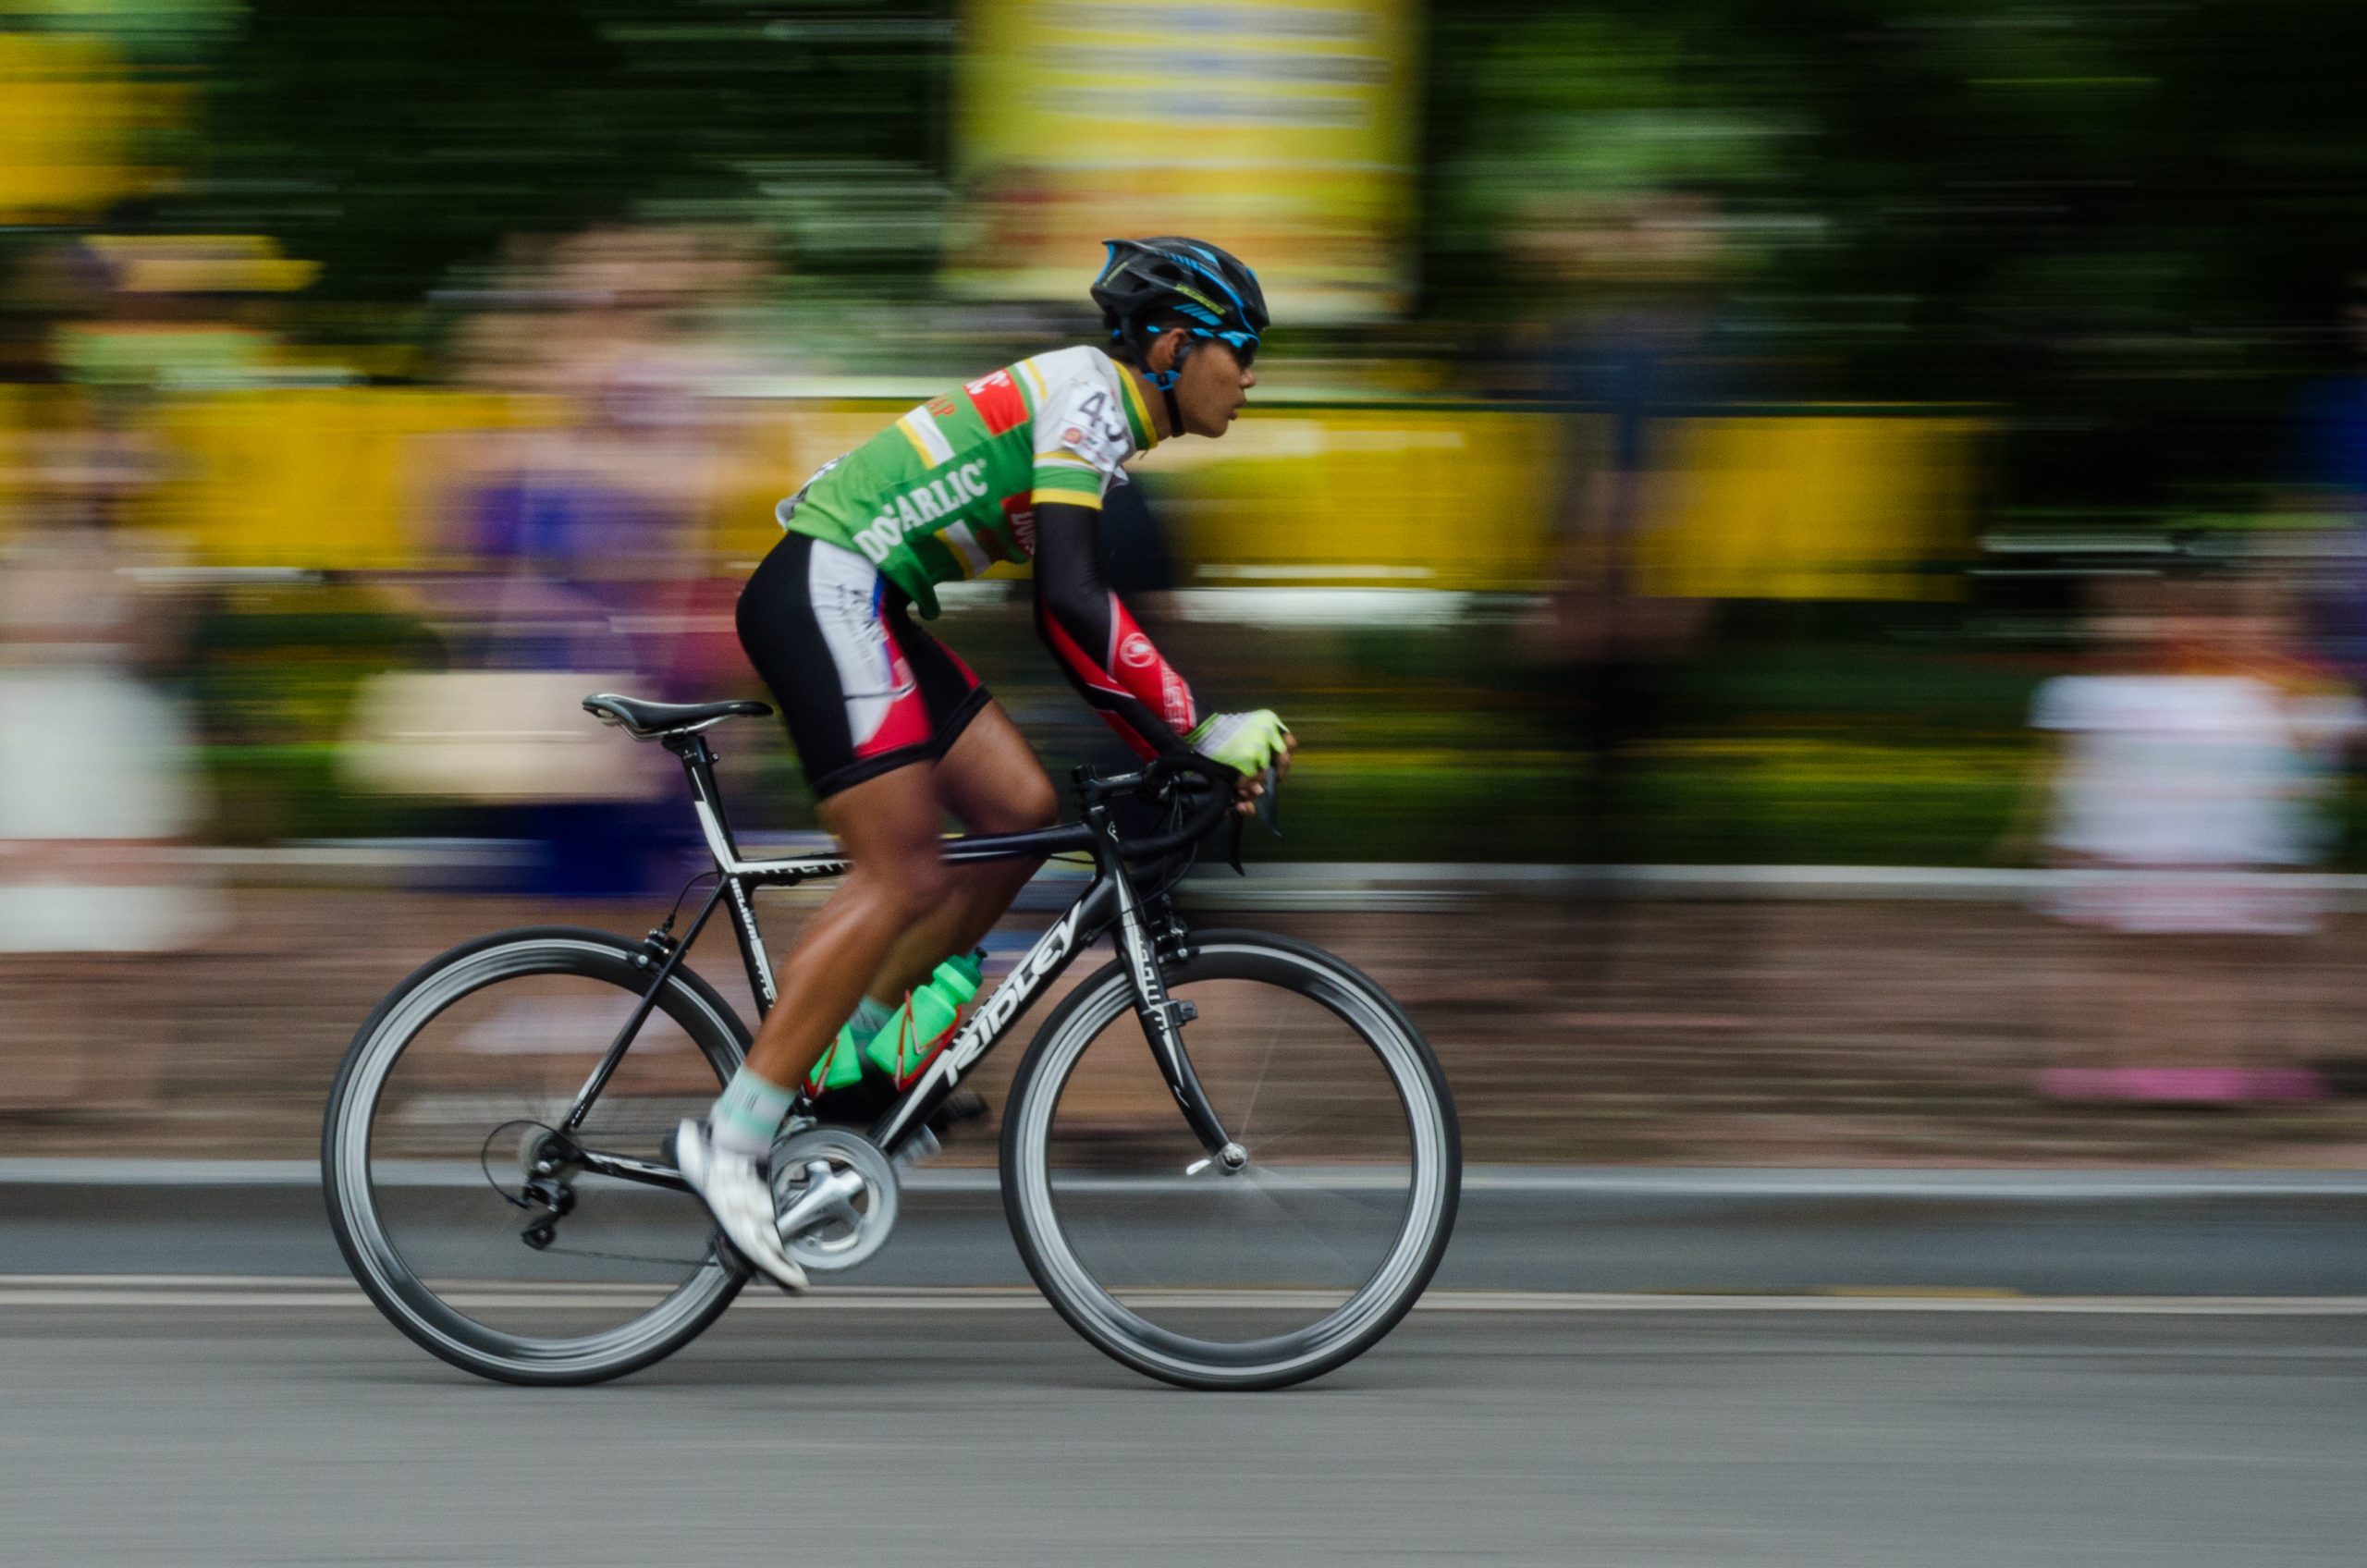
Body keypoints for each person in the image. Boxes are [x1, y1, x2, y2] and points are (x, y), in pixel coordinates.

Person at [675, 239, 1296, 1288]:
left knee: (1017, 809)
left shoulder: (1102, 420)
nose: (1250, 378)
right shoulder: (1090, 399)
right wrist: (1196, 728)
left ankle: (859, 1056)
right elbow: (1071, 602)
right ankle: (732, 1140)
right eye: (1239, 351)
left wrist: (1176, 746)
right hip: (830, 584)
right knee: (900, 873)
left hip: (867, 596)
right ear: (1173, 347)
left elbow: (1068, 621)